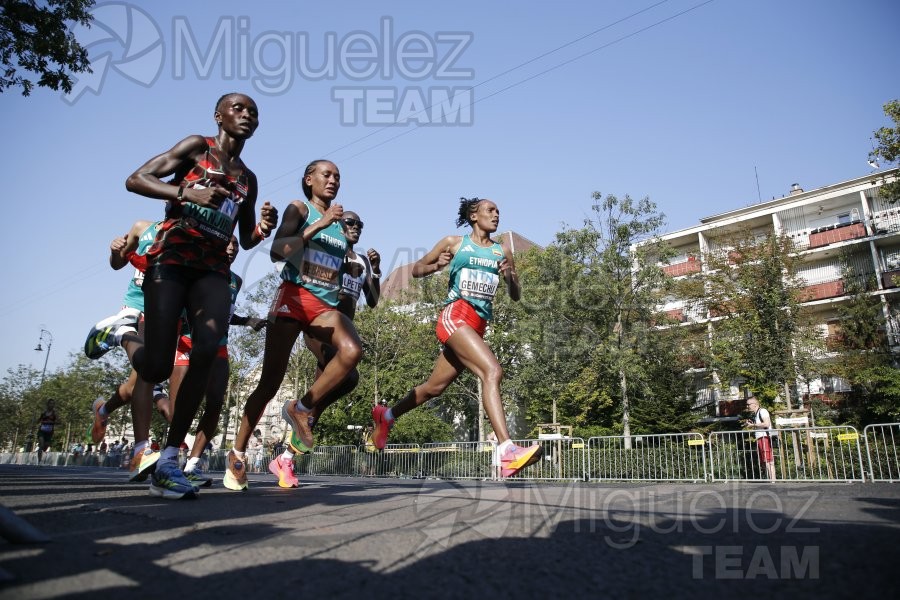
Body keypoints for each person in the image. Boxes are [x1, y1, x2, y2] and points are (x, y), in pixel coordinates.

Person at [85, 92, 278, 500]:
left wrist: (263, 226)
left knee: (207, 351)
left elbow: (242, 238)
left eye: (253, 112)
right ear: (219, 116)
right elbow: (135, 179)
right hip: (171, 260)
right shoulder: (196, 148)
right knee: (155, 366)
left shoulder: (248, 178)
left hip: (211, 269)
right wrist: (185, 194)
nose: (246, 115)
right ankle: (121, 333)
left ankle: (170, 459)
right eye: (238, 108)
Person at [371, 197, 542, 478]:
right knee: (492, 371)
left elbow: (515, 295)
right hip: (455, 317)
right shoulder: (454, 243)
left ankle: (386, 416)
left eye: (499, 211)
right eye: (490, 210)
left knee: (433, 388)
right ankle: (506, 450)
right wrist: (437, 265)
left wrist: (511, 276)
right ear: (474, 216)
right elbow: (416, 270)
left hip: (477, 326)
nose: (496, 215)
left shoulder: (503, 251)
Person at [223, 159, 362, 491]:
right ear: (308, 179)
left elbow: (329, 267)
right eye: (326, 175)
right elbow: (278, 250)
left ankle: (300, 408)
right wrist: (320, 223)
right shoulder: (300, 208)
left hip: (323, 306)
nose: (333, 181)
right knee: (269, 383)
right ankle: (237, 452)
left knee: (351, 355)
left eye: (338, 177)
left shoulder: (341, 226)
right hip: (293, 297)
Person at [166, 235, 266, 488]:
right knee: (178, 409)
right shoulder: (197, 270)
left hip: (219, 346)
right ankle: (168, 463)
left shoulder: (235, 280)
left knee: (216, 403)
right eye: (227, 243)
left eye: (236, 245)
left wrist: (247, 321)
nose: (232, 248)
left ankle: (192, 465)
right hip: (188, 342)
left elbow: (224, 314)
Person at [288, 209, 381, 453]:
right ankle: (301, 409)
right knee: (350, 376)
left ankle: (287, 456)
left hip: (343, 333)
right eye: (350, 222)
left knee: (321, 396)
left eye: (360, 224)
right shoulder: (331, 252)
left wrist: (376, 270)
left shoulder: (361, 261)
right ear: (337, 225)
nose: (356, 227)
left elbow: (372, 301)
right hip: (321, 327)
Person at [85, 219, 164, 482]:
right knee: (147, 373)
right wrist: (115, 249)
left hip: (166, 314)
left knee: (134, 386)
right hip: (137, 309)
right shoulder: (143, 227)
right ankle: (141, 450)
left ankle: (103, 410)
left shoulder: (196, 234)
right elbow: (117, 263)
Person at [745, 395, 776, 481]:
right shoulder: (757, 413)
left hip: (765, 437)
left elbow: (766, 423)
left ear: (755, 404)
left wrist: (753, 425)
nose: (747, 406)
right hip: (761, 438)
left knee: (768, 460)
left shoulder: (763, 411)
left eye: (749, 404)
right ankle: (771, 479)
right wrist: (753, 424)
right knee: (765, 460)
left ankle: (773, 480)